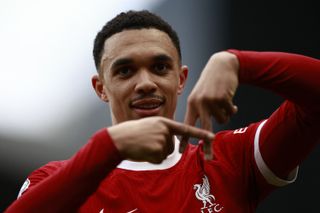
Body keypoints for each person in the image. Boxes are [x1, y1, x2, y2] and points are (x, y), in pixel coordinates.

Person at [5, 10, 320, 213]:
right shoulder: (56, 180)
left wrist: (238, 62)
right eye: (125, 71)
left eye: (160, 67)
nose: (145, 83)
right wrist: (109, 147)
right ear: (101, 88)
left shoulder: (231, 160)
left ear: (181, 79)